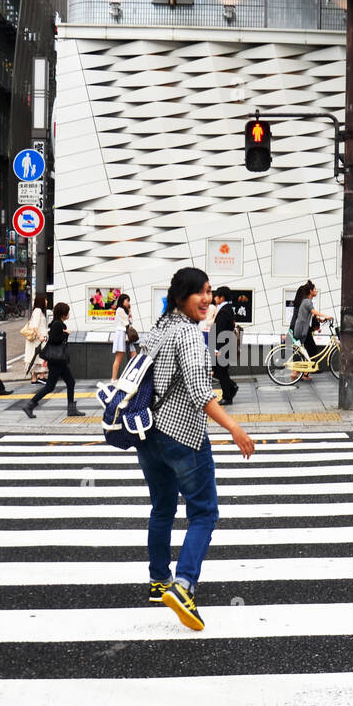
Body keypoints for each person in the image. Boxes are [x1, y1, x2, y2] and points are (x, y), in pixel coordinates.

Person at [134, 267, 255, 631]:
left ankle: (159, 581)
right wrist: (235, 428)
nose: (206, 299)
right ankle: (183, 585)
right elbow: (201, 393)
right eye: (199, 293)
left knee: (163, 509)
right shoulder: (187, 334)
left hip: (148, 434)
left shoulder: (159, 328)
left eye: (208, 292)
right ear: (182, 296)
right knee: (204, 513)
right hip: (183, 436)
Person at [21, 302, 81, 417]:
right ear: (63, 313)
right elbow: (54, 339)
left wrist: (64, 333)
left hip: (59, 361)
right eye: (67, 312)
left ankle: (71, 409)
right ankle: (29, 405)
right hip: (56, 360)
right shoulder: (57, 324)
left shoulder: (58, 323)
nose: (68, 314)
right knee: (50, 386)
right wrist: (66, 334)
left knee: (70, 382)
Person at [290, 281, 332, 377]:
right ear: (309, 291)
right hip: (300, 328)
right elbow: (311, 312)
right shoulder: (305, 302)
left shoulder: (303, 302)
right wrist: (324, 315)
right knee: (305, 349)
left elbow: (310, 313)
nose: (316, 291)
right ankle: (302, 371)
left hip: (301, 328)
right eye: (314, 289)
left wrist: (319, 319)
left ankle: (304, 370)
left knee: (303, 349)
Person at [211, 287, 239, 405]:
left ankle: (227, 397)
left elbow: (221, 331)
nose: (214, 298)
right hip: (226, 345)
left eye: (216, 296)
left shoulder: (224, 311)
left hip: (223, 347)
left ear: (221, 298)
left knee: (220, 371)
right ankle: (231, 387)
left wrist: (217, 348)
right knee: (219, 370)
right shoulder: (227, 309)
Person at [23, 293, 48, 384]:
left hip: (37, 340)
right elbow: (34, 326)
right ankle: (41, 376)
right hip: (38, 340)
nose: (46, 301)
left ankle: (34, 378)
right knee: (39, 357)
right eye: (45, 300)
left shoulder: (37, 311)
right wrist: (40, 336)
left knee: (35, 357)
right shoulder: (38, 311)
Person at [110, 293, 133, 380]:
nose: (128, 302)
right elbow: (127, 322)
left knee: (133, 355)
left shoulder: (125, 311)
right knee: (119, 358)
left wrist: (129, 311)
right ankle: (114, 378)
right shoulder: (119, 310)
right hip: (121, 334)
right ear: (122, 301)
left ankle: (131, 378)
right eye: (127, 300)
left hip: (126, 335)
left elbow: (130, 322)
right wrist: (129, 313)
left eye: (129, 301)